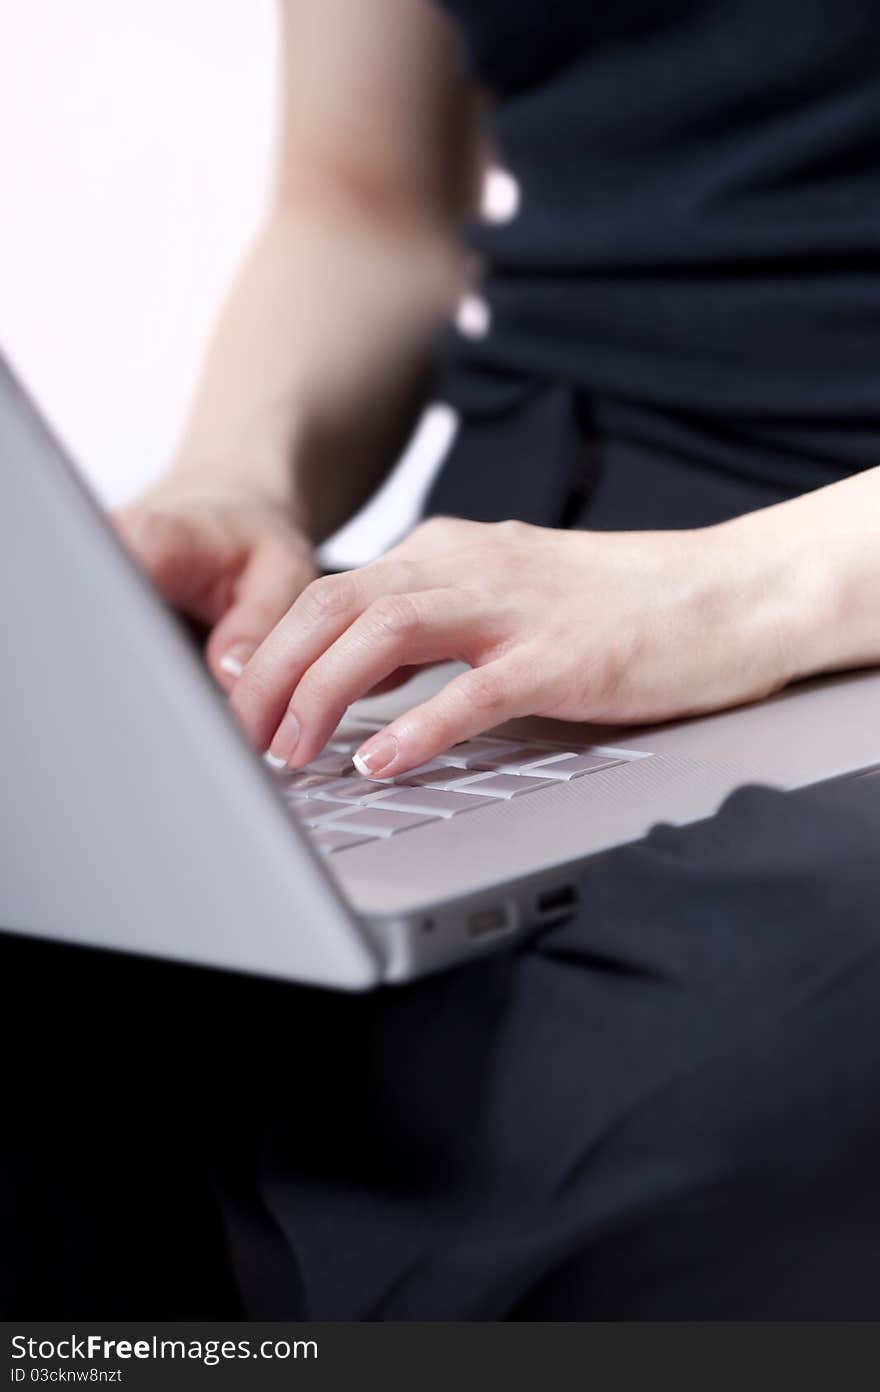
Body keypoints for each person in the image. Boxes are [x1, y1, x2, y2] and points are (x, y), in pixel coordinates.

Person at [4, 0, 880, 1318]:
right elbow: (362, 203)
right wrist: (240, 478)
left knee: (719, 1071)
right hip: (527, 534)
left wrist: (720, 593)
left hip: (835, 560)